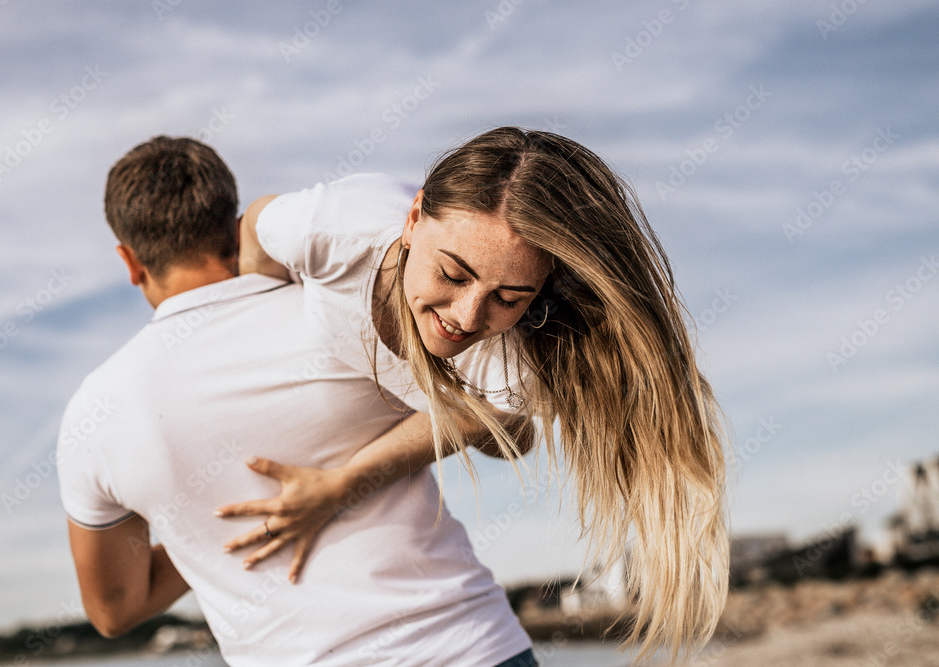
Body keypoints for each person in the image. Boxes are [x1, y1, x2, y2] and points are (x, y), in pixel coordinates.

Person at [228, 127, 729, 661]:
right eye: (451, 273)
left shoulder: (514, 361)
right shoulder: (330, 228)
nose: (467, 317)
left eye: (509, 297)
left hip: (488, 433)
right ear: (413, 218)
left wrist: (344, 484)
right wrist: (265, 320)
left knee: (511, 432)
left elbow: (482, 421)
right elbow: (257, 224)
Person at [57, 136, 538, 666]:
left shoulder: (94, 413)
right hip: (472, 647)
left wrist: (207, 523)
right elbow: (504, 418)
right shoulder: (342, 300)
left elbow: (115, 608)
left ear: (129, 260)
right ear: (230, 218)